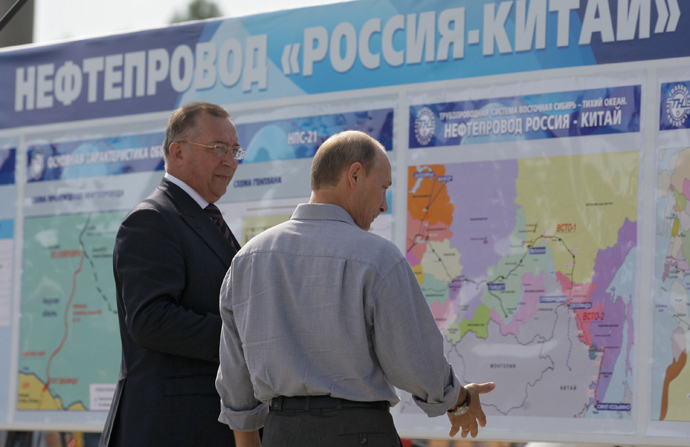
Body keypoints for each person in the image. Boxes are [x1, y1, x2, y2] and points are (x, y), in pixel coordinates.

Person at [216, 130, 495, 447]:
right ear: (355, 175)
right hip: (359, 433)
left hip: (281, 433)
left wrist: (249, 441)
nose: (384, 205)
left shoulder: (246, 261)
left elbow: (234, 375)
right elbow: (417, 364)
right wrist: (458, 399)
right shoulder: (377, 259)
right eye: (383, 188)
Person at [100, 101, 244, 447]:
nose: (230, 160)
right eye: (218, 148)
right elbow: (151, 320)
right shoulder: (151, 219)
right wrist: (244, 340)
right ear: (177, 152)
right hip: (169, 427)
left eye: (235, 150)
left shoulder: (206, 219)